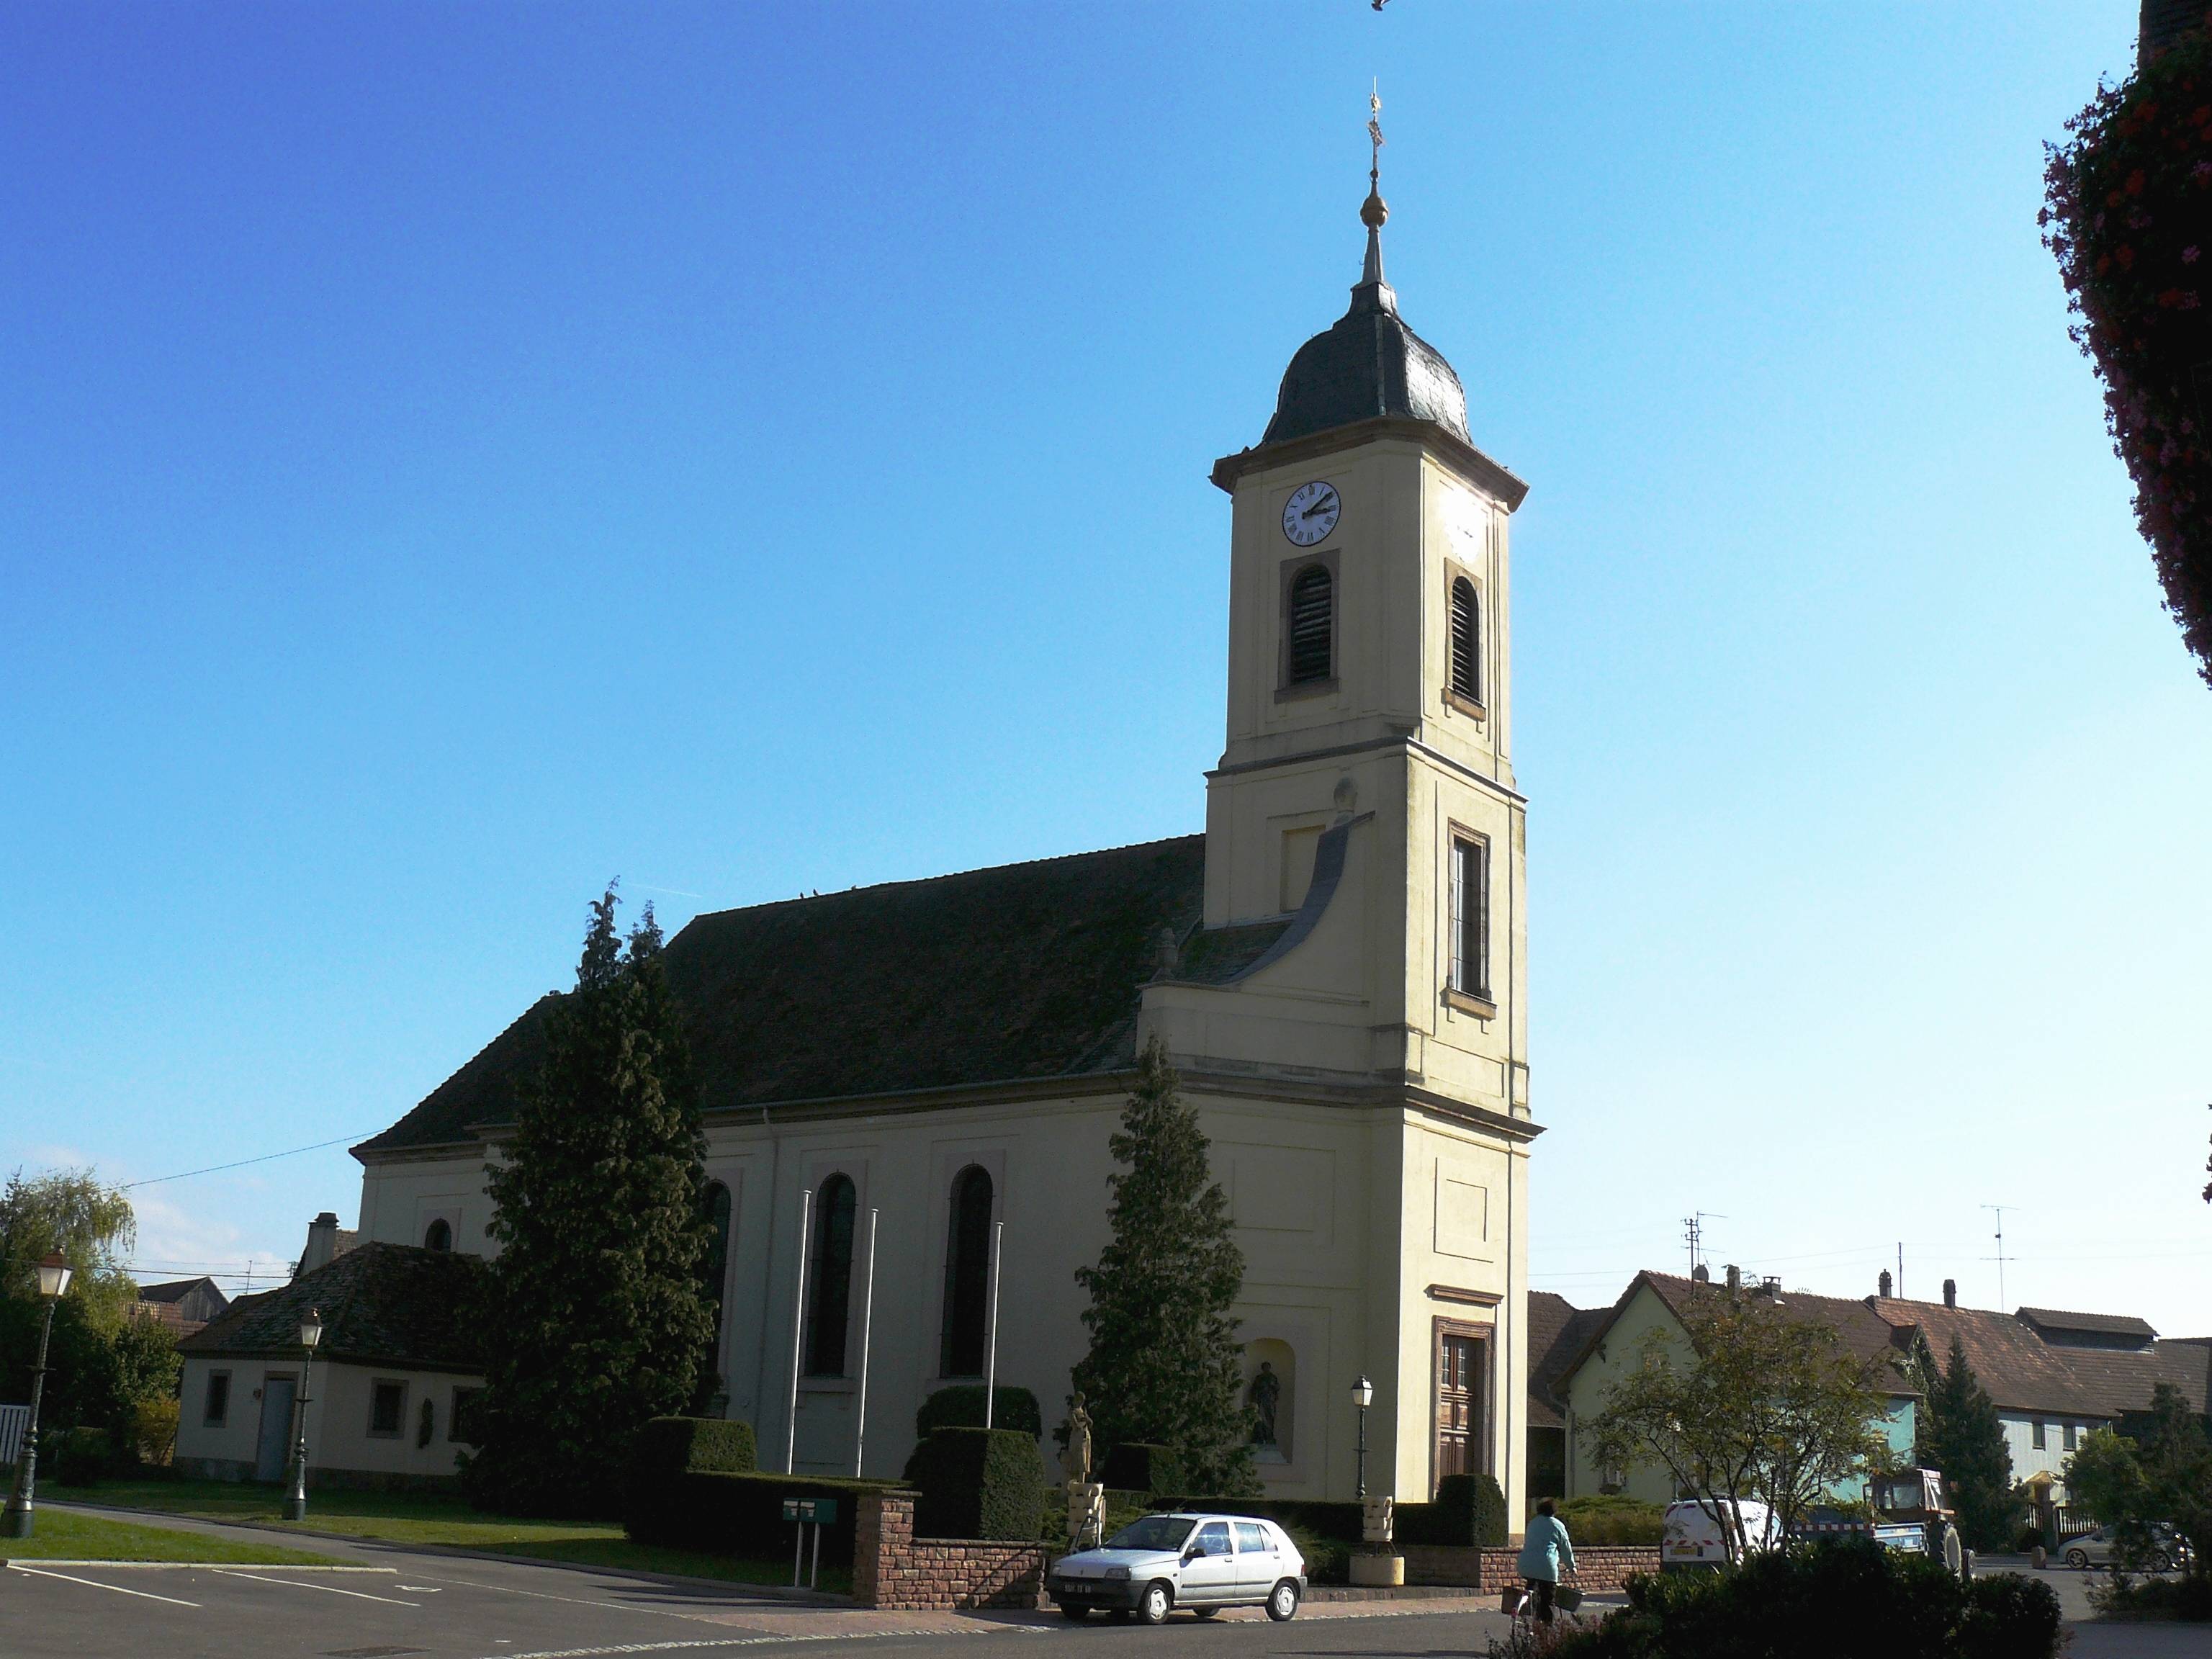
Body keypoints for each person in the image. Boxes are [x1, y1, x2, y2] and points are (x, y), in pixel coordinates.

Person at [1517, 1497, 1577, 1626]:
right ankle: (1546, 1630)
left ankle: (1527, 1608)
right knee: (1548, 1601)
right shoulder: (1557, 1525)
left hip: (1526, 1564)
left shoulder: (1532, 1523)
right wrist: (1571, 1566)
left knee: (1532, 1586)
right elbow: (1566, 1549)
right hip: (1546, 1567)